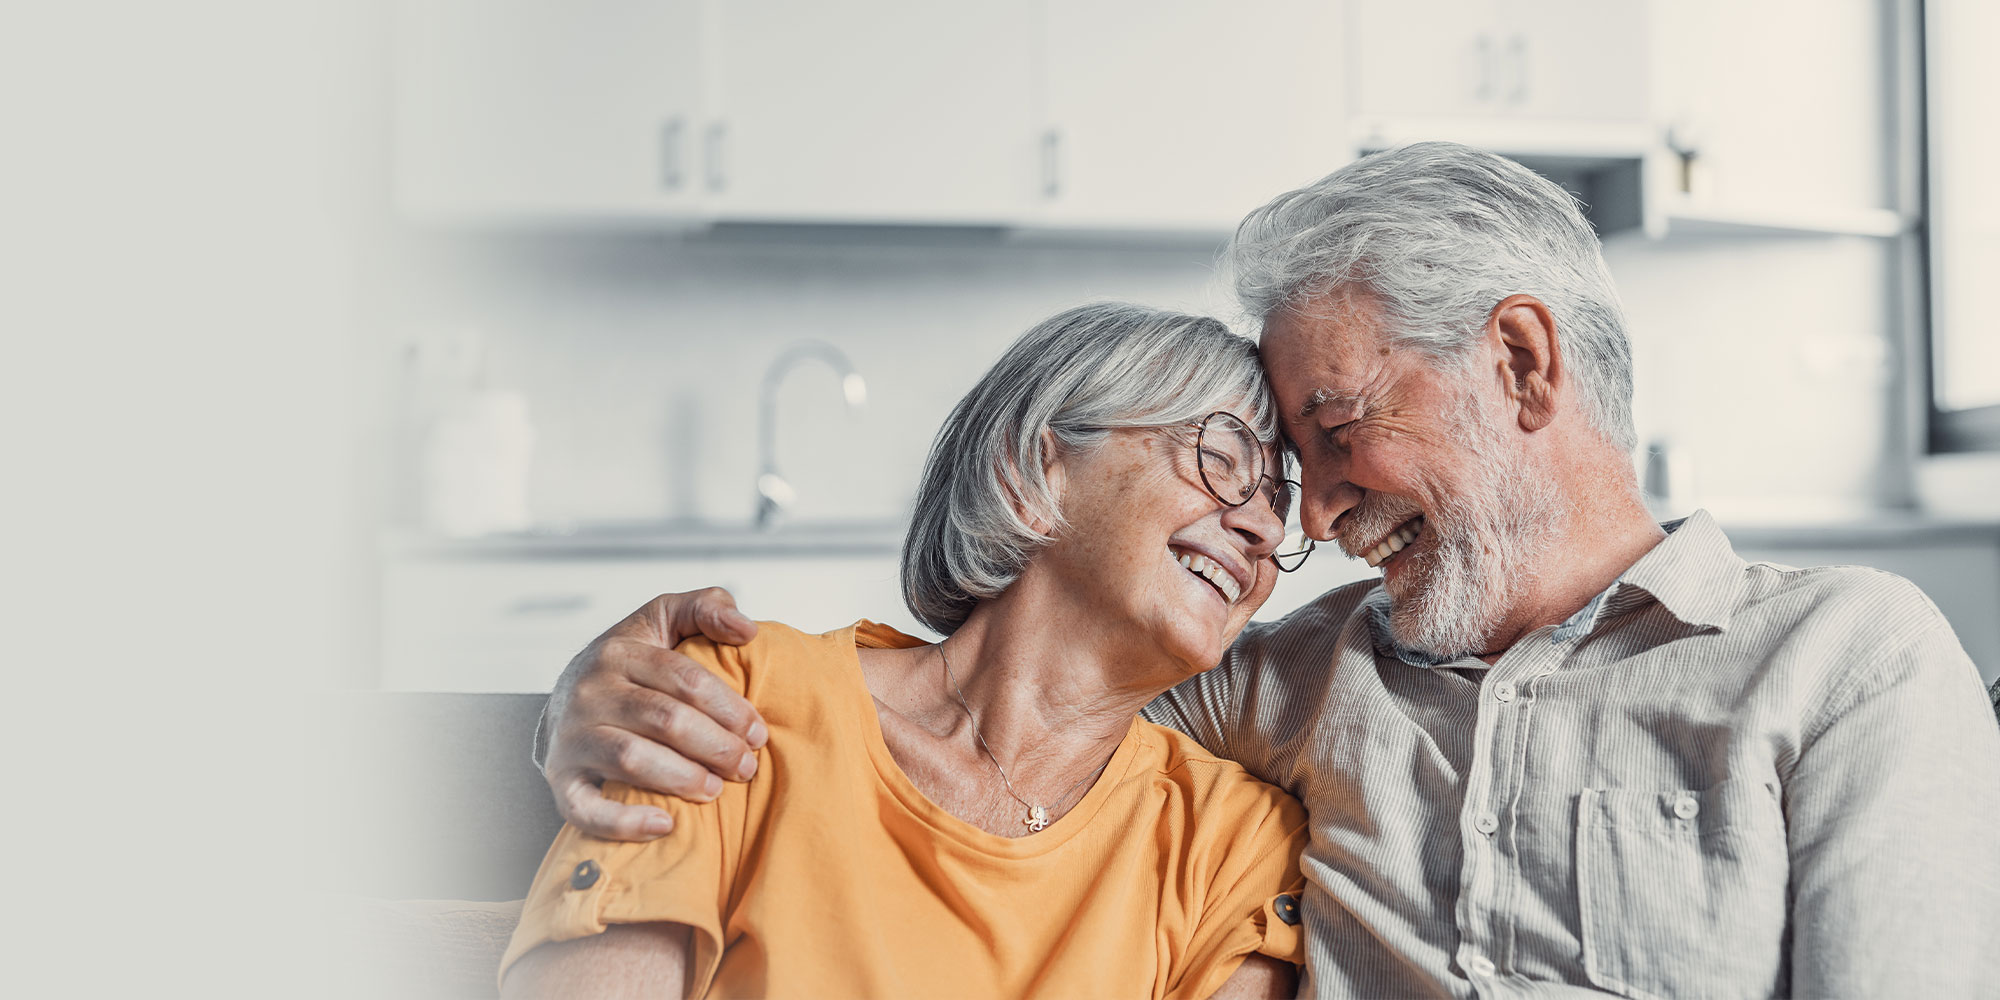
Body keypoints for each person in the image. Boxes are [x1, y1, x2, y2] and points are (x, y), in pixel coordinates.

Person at [540, 142, 2000, 997]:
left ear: (1520, 361)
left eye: (1333, 432)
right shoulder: (1281, 688)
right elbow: (1008, 698)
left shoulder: (1847, 658)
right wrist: (589, 694)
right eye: (1260, 467)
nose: (1305, 516)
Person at [501, 303, 1320, 999]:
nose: (1264, 528)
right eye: (1222, 461)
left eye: (1279, 502)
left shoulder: (1234, 845)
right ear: (1033, 471)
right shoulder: (737, 704)